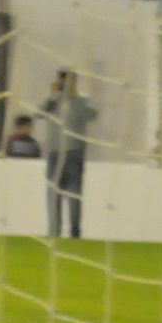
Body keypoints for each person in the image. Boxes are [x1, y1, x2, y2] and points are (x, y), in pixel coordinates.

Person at [41, 69, 97, 238]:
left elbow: (89, 115)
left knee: (74, 195)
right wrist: (51, 97)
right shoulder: (53, 101)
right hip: (54, 153)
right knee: (53, 194)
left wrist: (73, 98)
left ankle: (75, 232)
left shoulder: (82, 100)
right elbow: (39, 113)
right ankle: (54, 231)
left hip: (74, 153)